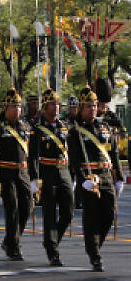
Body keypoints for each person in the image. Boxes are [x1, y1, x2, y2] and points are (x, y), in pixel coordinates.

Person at [67, 87, 123, 272]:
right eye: (88, 106)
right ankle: (95, 256)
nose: (92, 109)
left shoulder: (105, 127)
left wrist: (120, 178)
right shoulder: (76, 131)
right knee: (91, 218)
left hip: (106, 176)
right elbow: (74, 159)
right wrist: (82, 179)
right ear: (82, 108)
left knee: (108, 216)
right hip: (90, 177)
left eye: (94, 106)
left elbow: (113, 154)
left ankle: (95, 245)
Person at [28, 88, 73, 267]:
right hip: (46, 172)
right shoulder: (38, 130)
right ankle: (53, 251)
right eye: (53, 104)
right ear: (45, 107)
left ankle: (51, 241)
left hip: (63, 171)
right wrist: (34, 179)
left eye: (58, 104)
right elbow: (32, 156)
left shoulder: (64, 126)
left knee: (68, 211)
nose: (56, 107)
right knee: (49, 214)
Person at [0, 88, 32, 261]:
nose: (17, 110)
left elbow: (31, 154)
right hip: (6, 172)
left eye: (19, 107)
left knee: (26, 207)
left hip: (23, 172)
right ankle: (14, 245)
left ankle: (10, 239)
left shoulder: (25, 126)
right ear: (6, 108)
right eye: (14, 107)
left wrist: (35, 177)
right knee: (12, 208)